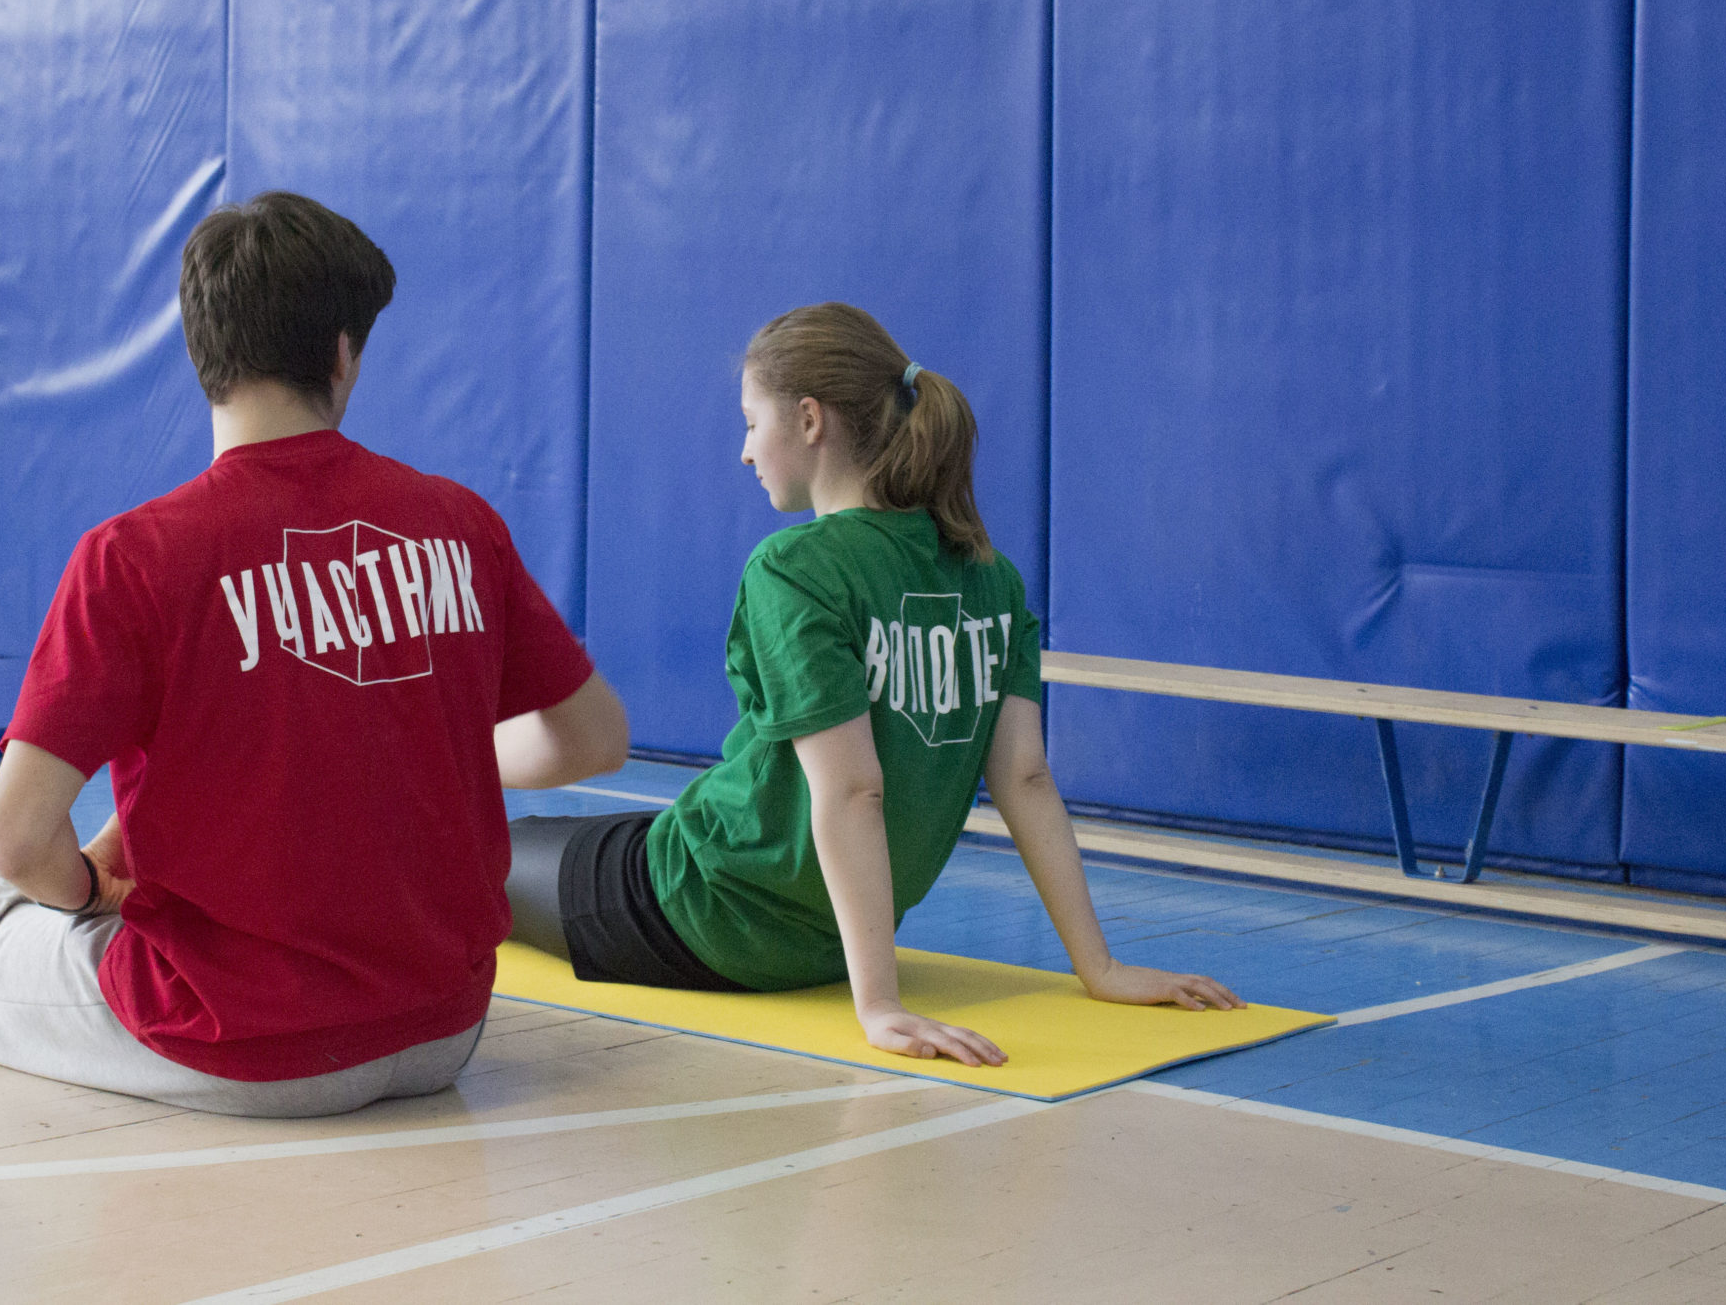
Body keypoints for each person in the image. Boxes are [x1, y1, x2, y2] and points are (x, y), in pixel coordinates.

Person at [0, 191, 628, 1116]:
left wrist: (85, 896)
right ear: (345, 352)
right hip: (445, 1034)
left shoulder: (140, 555)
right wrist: (423, 756)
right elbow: (592, 739)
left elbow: (24, 842)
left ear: (199, 350)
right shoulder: (460, 524)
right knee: (16, 906)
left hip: (236, 1044)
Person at [506, 302, 1240, 1066]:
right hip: (829, 941)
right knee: (551, 839)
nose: (745, 452)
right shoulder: (993, 579)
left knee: (488, 856)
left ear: (810, 420)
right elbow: (1025, 776)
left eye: (752, 423)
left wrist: (881, 1006)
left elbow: (854, 788)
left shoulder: (795, 569)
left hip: (700, 911)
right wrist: (1102, 967)